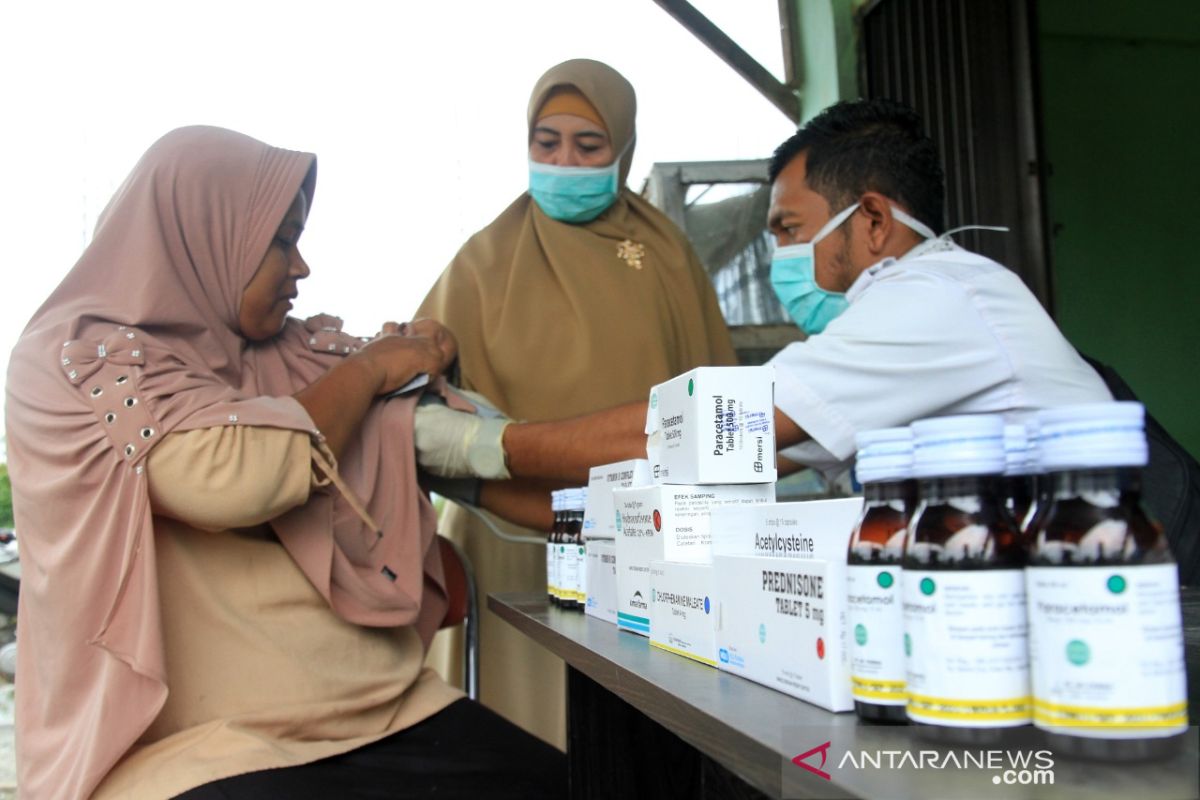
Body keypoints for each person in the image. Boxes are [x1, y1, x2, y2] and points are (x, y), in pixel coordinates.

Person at [4, 126, 563, 799]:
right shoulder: (70, 359)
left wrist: (422, 361)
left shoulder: (285, 352)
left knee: (577, 785)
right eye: (280, 240)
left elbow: (434, 416)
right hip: (195, 748)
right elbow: (229, 477)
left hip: (384, 708)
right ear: (203, 234)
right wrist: (369, 373)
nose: (300, 267)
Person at [415, 98, 1112, 490]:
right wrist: (474, 479)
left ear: (871, 220)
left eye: (788, 229)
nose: (779, 255)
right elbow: (692, 472)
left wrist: (487, 443)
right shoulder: (897, 321)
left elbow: (699, 430)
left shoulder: (936, 299)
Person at [415, 58, 736, 747]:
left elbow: (716, 402)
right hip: (509, 543)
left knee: (641, 743)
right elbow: (418, 401)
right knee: (520, 734)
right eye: (546, 142)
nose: (563, 161)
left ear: (623, 149)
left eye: (588, 147)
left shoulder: (667, 257)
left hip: (649, 546)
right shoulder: (481, 263)